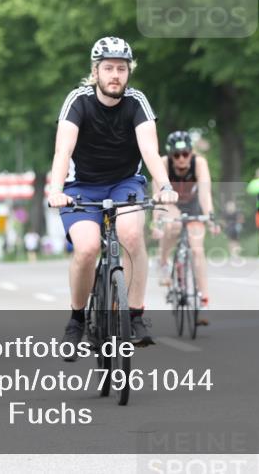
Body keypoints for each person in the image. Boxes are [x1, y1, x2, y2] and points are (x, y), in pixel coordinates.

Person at [47, 36, 178, 354]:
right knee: (88, 248)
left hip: (125, 183)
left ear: (129, 72)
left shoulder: (137, 102)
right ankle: (77, 319)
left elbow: (150, 150)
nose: (115, 74)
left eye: (122, 68)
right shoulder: (78, 101)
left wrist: (165, 186)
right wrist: (56, 189)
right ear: (96, 71)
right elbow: (63, 150)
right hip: (81, 187)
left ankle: (135, 316)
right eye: (108, 68)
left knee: (131, 235)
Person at [151, 130, 219, 326]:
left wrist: (211, 218)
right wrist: (157, 222)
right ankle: (163, 261)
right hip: (170, 204)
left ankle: (203, 301)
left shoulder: (200, 163)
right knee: (172, 224)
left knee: (197, 250)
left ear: (191, 152)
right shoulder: (163, 164)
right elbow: (158, 196)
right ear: (171, 155)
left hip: (193, 204)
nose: (181, 159)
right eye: (177, 155)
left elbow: (205, 193)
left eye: (186, 154)